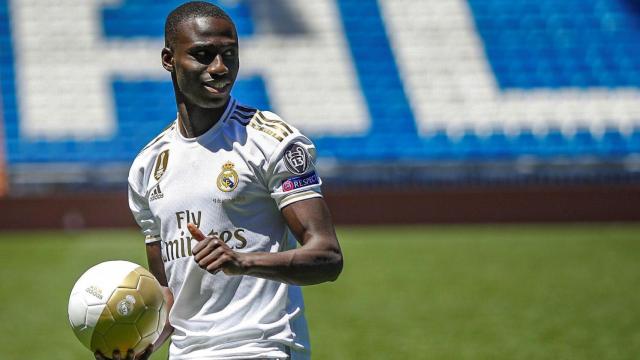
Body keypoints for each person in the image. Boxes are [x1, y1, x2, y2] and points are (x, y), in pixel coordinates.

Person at [95, 1, 343, 359]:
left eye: (230, 54)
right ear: (168, 59)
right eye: (203, 55)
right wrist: (138, 345)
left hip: (262, 346)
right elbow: (167, 292)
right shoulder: (147, 166)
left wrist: (244, 261)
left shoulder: (270, 141)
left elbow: (327, 255)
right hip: (187, 353)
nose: (220, 68)